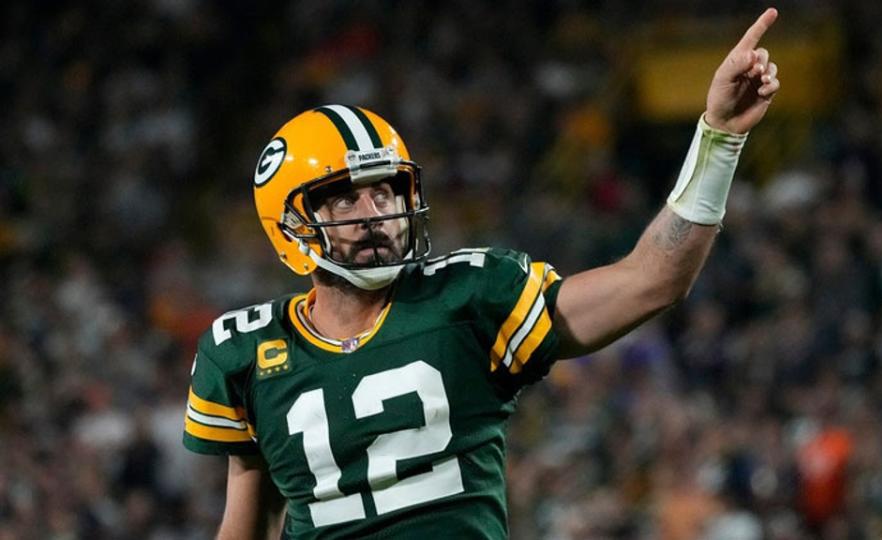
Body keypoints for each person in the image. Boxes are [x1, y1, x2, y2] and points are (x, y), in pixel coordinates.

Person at [182, 8, 782, 539]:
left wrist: (719, 138)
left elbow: (651, 280)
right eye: (345, 199)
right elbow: (250, 523)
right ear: (289, 224)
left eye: (386, 191)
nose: (376, 215)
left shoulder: (469, 295)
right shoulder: (242, 352)